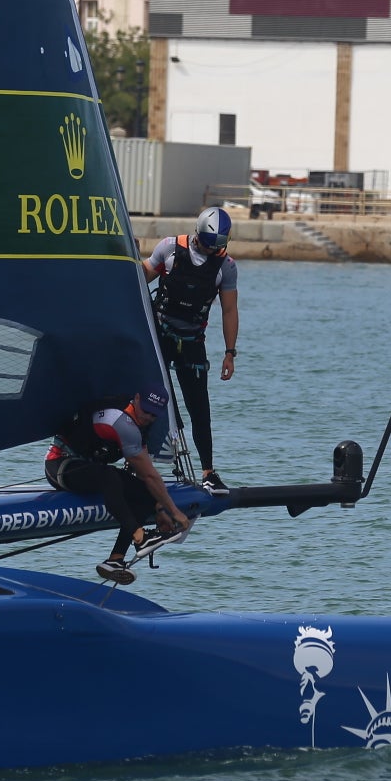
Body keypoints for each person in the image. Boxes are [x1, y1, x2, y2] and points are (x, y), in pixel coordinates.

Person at [45, 388, 191, 585]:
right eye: (145, 410)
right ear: (137, 399)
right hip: (60, 466)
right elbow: (150, 475)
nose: (147, 417)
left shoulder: (140, 424)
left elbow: (144, 472)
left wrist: (159, 508)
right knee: (110, 477)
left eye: (153, 414)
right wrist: (175, 512)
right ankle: (140, 537)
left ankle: (115, 560)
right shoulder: (122, 423)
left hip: (89, 468)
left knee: (146, 493)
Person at [141, 206, 239, 494]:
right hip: (161, 336)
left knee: (200, 409)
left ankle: (208, 471)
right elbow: (140, 276)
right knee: (152, 401)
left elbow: (230, 311)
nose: (213, 250)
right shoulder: (169, 249)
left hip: (193, 341)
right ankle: (140, 463)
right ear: (198, 234)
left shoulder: (226, 267)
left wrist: (230, 352)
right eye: (210, 244)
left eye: (219, 246)